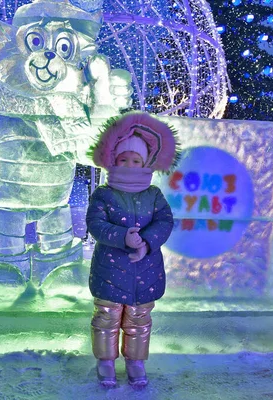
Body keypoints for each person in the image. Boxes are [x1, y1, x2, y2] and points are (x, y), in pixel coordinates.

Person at [85, 111, 178, 388]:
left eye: (135, 160)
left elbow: (165, 220)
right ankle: (105, 360)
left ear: (145, 162)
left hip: (145, 270)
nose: (129, 163)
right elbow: (95, 223)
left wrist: (147, 242)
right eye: (123, 158)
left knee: (139, 318)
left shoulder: (154, 195)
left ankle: (136, 361)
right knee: (107, 316)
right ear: (113, 160)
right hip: (109, 270)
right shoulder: (104, 193)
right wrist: (123, 236)